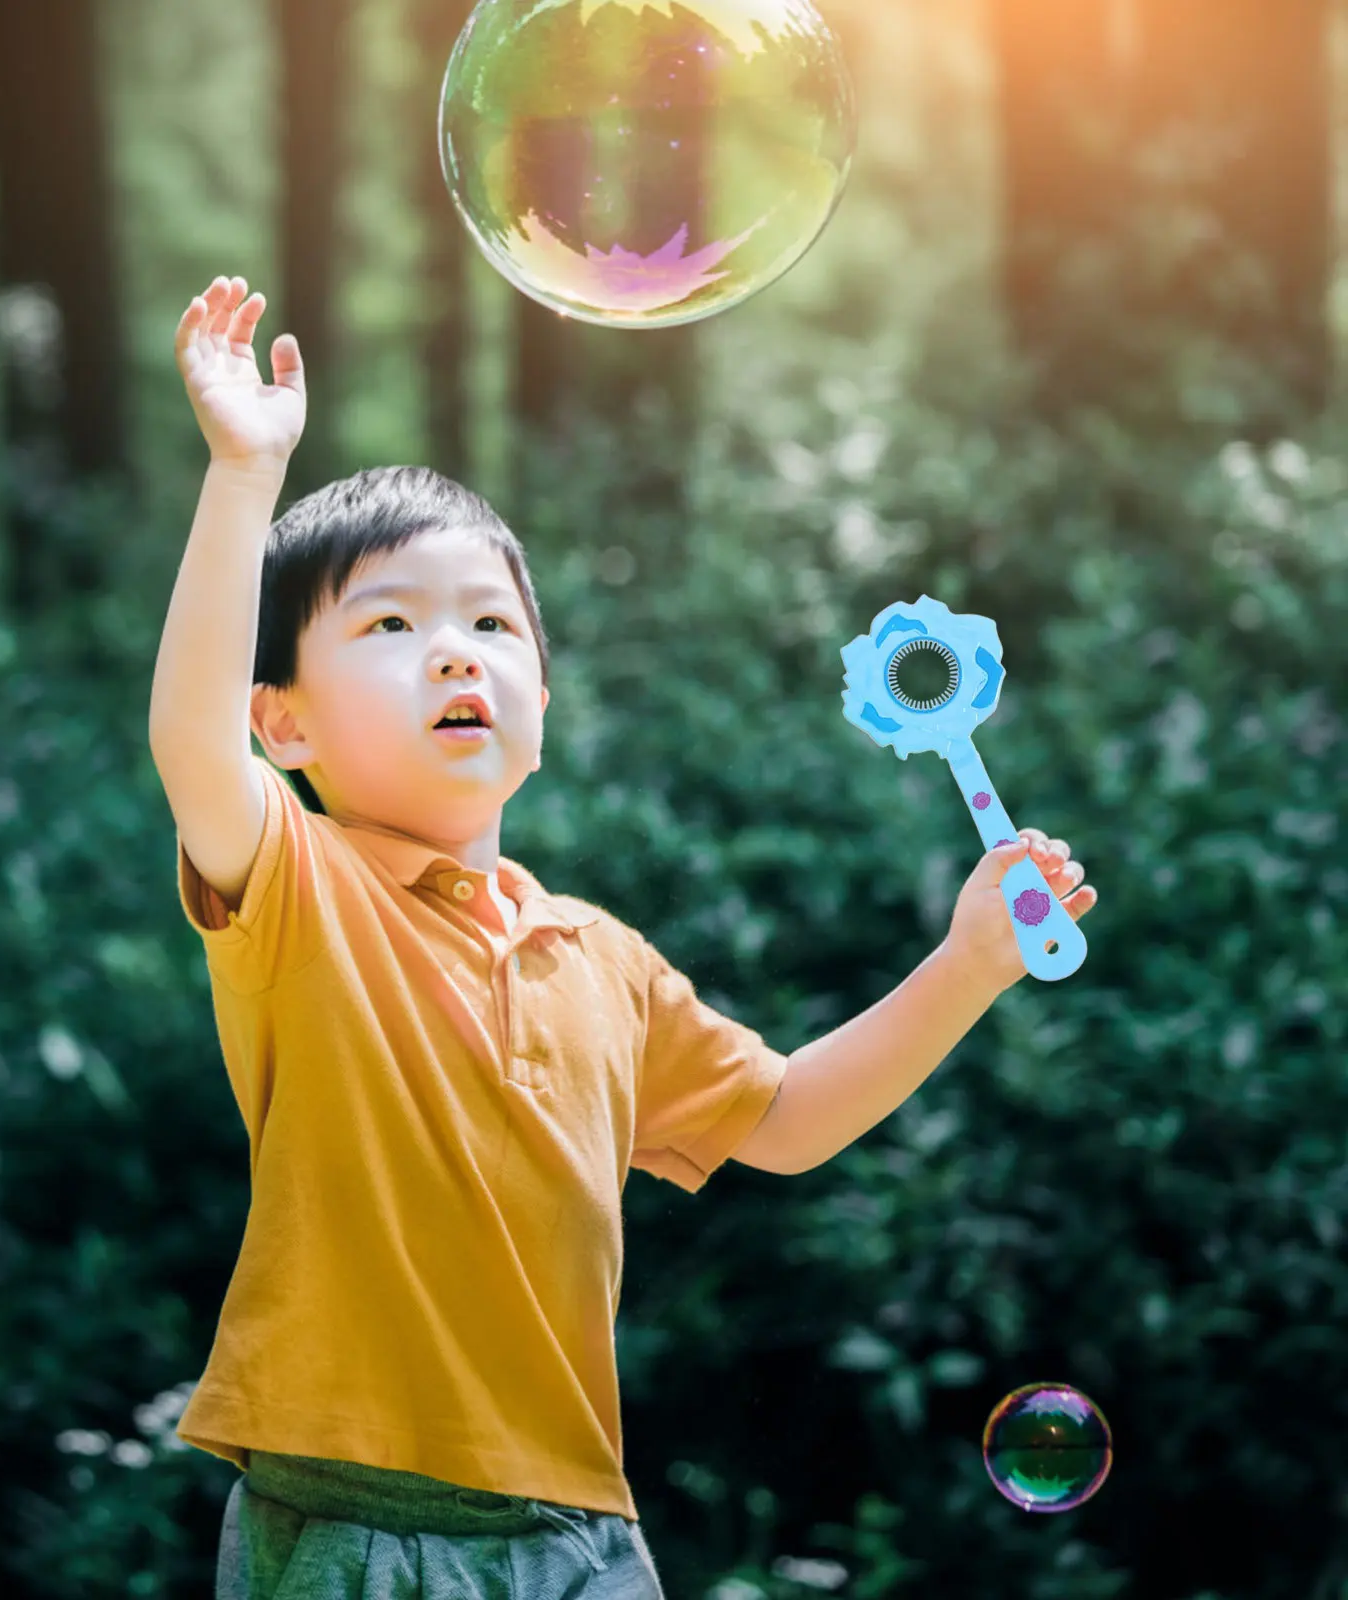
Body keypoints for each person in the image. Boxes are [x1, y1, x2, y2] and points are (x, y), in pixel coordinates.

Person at [148, 275, 1097, 1599]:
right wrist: (245, 474)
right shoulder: (299, 886)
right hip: (354, 1523)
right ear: (285, 723)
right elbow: (189, 743)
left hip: (579, 1533)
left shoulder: (603, 959)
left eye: (491, 624)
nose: (454, 655)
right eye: (389, 624)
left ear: (545, 694)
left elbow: (783, 1118)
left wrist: (971, 964)